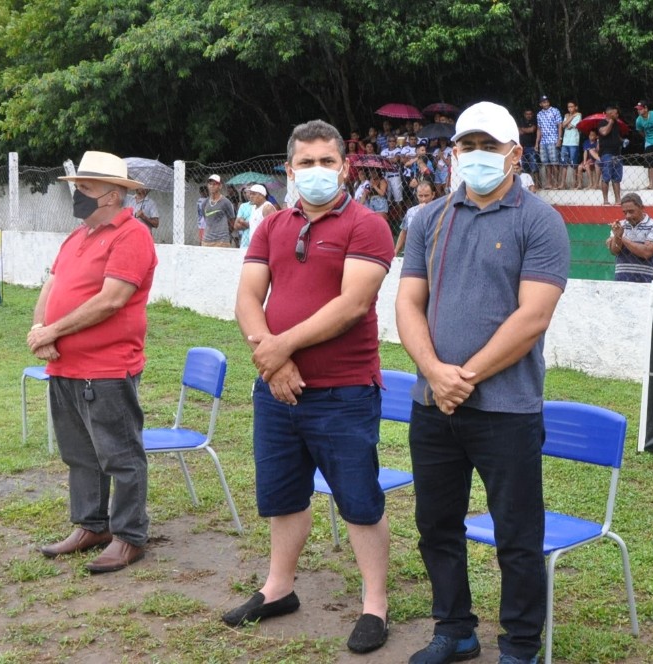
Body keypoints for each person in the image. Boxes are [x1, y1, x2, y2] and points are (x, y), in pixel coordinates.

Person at [395, 101, 569, 664]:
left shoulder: (538, 220)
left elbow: (533, 317)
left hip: (507, 409)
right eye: (466, 146)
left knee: (517, 537)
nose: (475, 156)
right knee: (436, 525)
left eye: (488, 146)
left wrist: (462, 376)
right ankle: (455, 628)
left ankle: (520, 646)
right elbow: (407, 303)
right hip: (433, 405)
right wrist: (434, 373)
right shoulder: (429, 219)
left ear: (515, 155)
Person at [229, 119, 395, 655]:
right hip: (277, 389)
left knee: (359, 500)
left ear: (345, 166)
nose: (317, 171)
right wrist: (271, 358)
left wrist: (280, 348)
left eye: (328, 161)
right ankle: (278, 588)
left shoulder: (368, 226)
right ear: (289, 169)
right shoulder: (271, 226)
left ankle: (375, 604)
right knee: (282, 495)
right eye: (307, 162)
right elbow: (248, 298)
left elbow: (352, 305)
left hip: (343, 390)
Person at [29, 151, 158, 573]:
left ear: (112, 195)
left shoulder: (132, 235)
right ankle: (91, 524)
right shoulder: (77, 236)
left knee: (120, 455)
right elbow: (52, 285)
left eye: (84, 189)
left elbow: (112, 299)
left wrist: (54, 332)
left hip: (106, 368)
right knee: (80, 454)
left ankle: (129, 536)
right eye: (77, 188)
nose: (77, 196)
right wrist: (39, 332)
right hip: (65, 367)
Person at [606, 192, 653, 282]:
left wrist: (620, 237)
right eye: (625, 212)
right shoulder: (620, 225)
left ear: (642, 208)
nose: (627, 216)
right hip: (621, 281)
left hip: (645, 282)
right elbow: (614, 251)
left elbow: (646, 252)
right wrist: (617, 237)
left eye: (631, 211)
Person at [394, 180, 434, 255]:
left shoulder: (438, 211)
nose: (423, 199)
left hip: (430, 251)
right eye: (420, 196)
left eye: (426, 195)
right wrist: (396, 251)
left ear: (433, 195)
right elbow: (403, 232)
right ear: (416, 195)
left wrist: (424, 213)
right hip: (412, 251)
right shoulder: (411, 211)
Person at [598, 103, 624, 205]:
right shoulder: (602, 123)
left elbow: (616, 137)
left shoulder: (617, 124)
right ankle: (605, 200)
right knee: (606, 176)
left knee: (617, 178)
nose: (617, 115)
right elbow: (604, 132)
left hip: (617, 153)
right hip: (606, 153)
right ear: (610, 113)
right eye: (616, 113)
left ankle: (618, 200)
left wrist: (623, 141)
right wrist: (611, 123)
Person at [200, 174, 236, 248]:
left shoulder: (226, 202)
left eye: (214, 184)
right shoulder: (204, 203)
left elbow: (232, 222)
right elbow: (206, 219)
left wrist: (224, 234)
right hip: (206, 240)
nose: (212, 186)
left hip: (222, 241)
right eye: (210, 184)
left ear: (220, 186)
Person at [535, 95, 563, 189]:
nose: (545, 103)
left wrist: (559, 139)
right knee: (546, 163)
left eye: (547, 101)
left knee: (554, 162)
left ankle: (556, 183)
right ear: (540, 104)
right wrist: (537, 143)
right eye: (543, 102)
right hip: (543, 141)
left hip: (553, 139)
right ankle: (549, 183)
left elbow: (560, 125)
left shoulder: (555, 111)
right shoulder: (539, 114)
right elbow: (539, 129)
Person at [238, 184, 275, 249]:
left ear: (262, 195)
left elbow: (273, 229)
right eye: (250, 194)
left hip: (264, 246)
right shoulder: (254, 207)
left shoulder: (267, 207)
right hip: (254, 245)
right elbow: (254, 224)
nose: (250, 196)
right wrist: (242, 222)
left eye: (253, 194)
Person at [559, 101, 582, 189]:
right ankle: (563, 184)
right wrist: (571, 117)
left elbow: (568, 126)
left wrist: (568, 118)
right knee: (564, 163)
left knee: (574, 163)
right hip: (565, 142)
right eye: (569, 107)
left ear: (576, 107)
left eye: (572, 107)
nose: (570, 108)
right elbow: (563, 125)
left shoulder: (579, 116)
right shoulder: (571, 116)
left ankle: (575, 184)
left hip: (573, 142)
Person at [518, 109, 539, 187]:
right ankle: (528, 184)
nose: (528, 115)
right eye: (527, 114)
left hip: (531, 147)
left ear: (532, 114)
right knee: (524, 168)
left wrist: (523, 129)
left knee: (534, 167)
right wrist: (527, 130)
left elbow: (532, 129)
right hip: (522, 147)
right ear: (524, 114)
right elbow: (518, 131)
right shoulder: (521, 121)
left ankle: (537, 185)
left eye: (530, 114)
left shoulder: (534, 121)